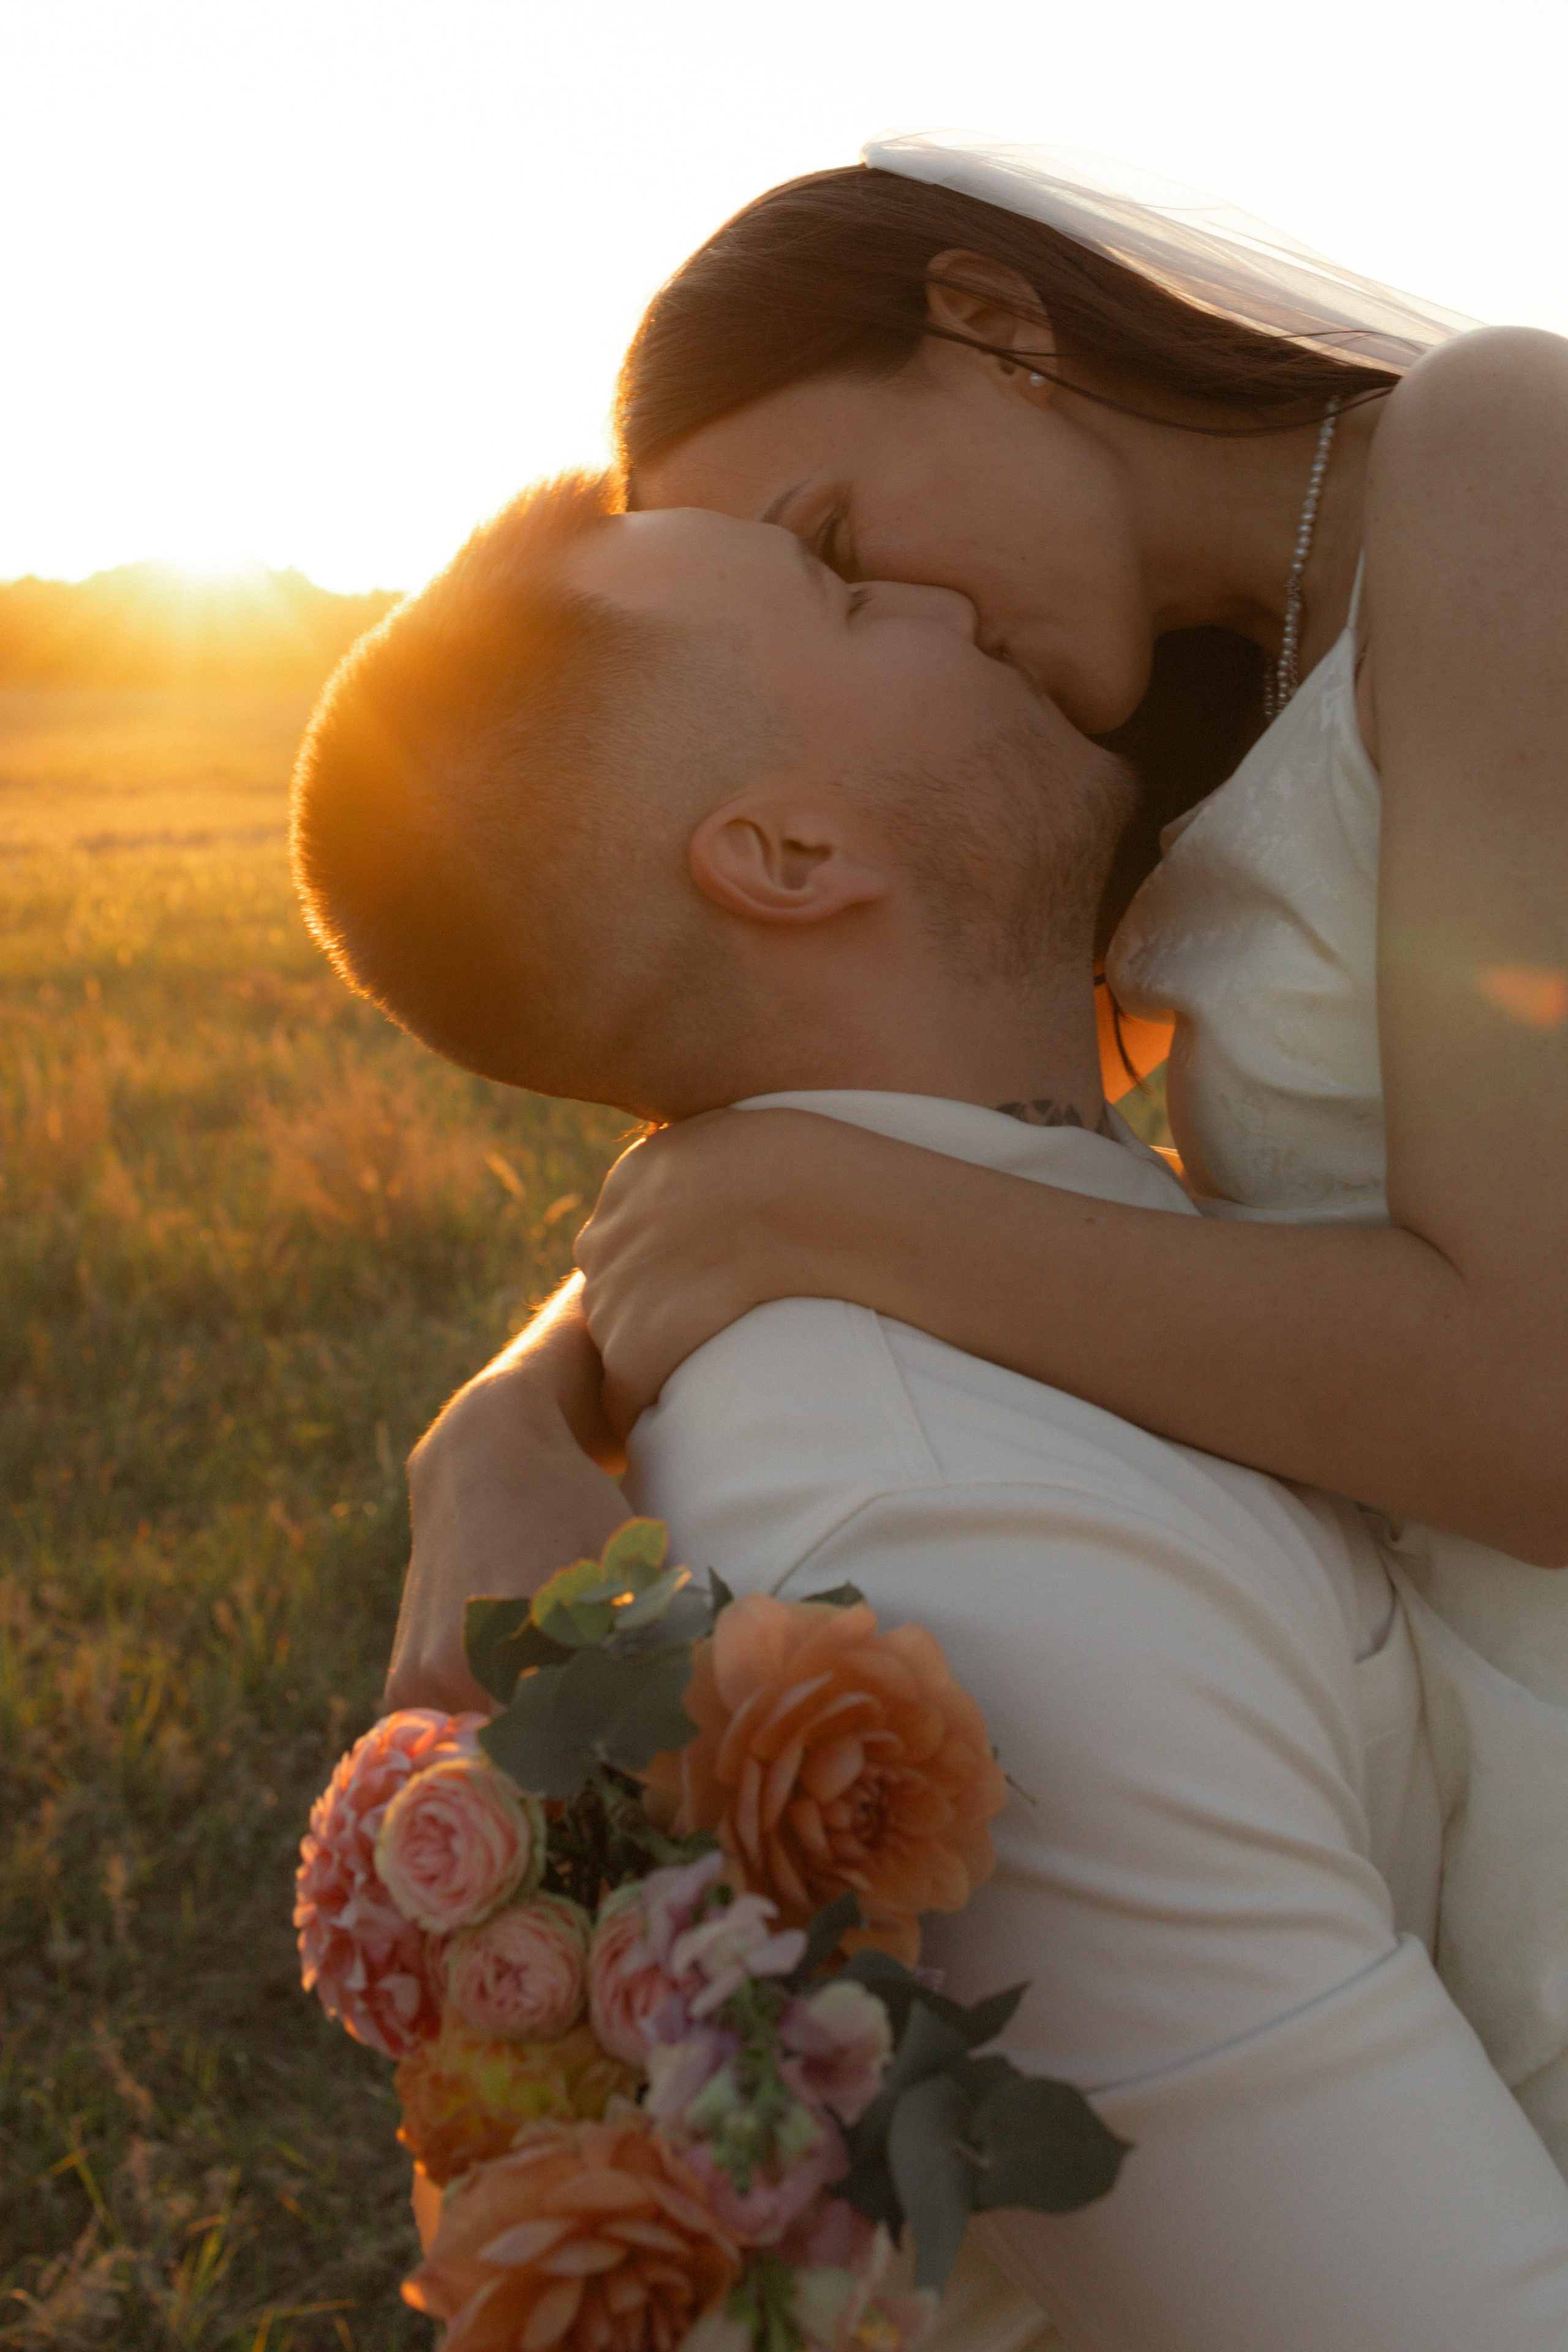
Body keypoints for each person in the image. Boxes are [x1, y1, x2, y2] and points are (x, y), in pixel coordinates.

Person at [290, 474, 1568, 2347]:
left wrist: (503, 1408)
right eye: (836, 586)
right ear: (787, 856)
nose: (949, 599)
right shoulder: (955, 1575)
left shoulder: (994, 1265)